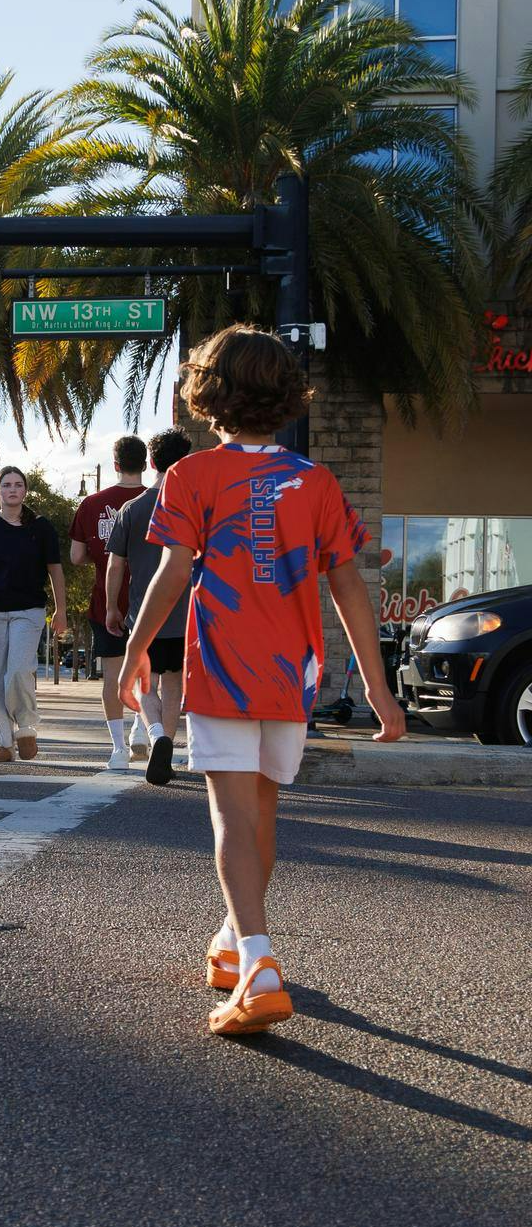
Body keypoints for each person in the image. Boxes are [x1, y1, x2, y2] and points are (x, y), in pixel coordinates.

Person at [117, 325, 401, 1036]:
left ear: (208, 395)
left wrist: (136, 651)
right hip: (291, 673)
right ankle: (231, 938)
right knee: (262, 815)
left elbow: (173, 571)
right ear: (286, 396)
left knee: (230, 818)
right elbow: (349, 585)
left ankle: (259, 962)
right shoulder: (318, 481)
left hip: (221, 669)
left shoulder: (191, 477)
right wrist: (377, 684)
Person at [106, 428, 196, 785]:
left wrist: (112, 607)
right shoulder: (193, 508)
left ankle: (156, 734)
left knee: (148, 683)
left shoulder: (133, 508)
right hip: (184, 612)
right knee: (173, 684)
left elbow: (115, 564)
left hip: (144, 611)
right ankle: (168, 746)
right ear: (184, 463)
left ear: (152, 462)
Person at [0, 467, 67, 763]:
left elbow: (56, 572)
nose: (12, 489)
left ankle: (25, 729)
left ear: (25, 491)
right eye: (7, 485)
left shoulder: (42, 527)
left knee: (20, 671)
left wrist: (60, 610)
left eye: (18, 485)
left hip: (29, 610)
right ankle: (2, 743)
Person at [70, 436, 151, 770]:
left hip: (106, 602)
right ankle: (140, 731)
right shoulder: (157, 501)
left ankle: (118, 749)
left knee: (113, 676)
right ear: (145, 464)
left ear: (115, 465)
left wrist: (104, 558)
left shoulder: (91, 504)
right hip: (150, 600)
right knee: (150, 674)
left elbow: (76, 556)